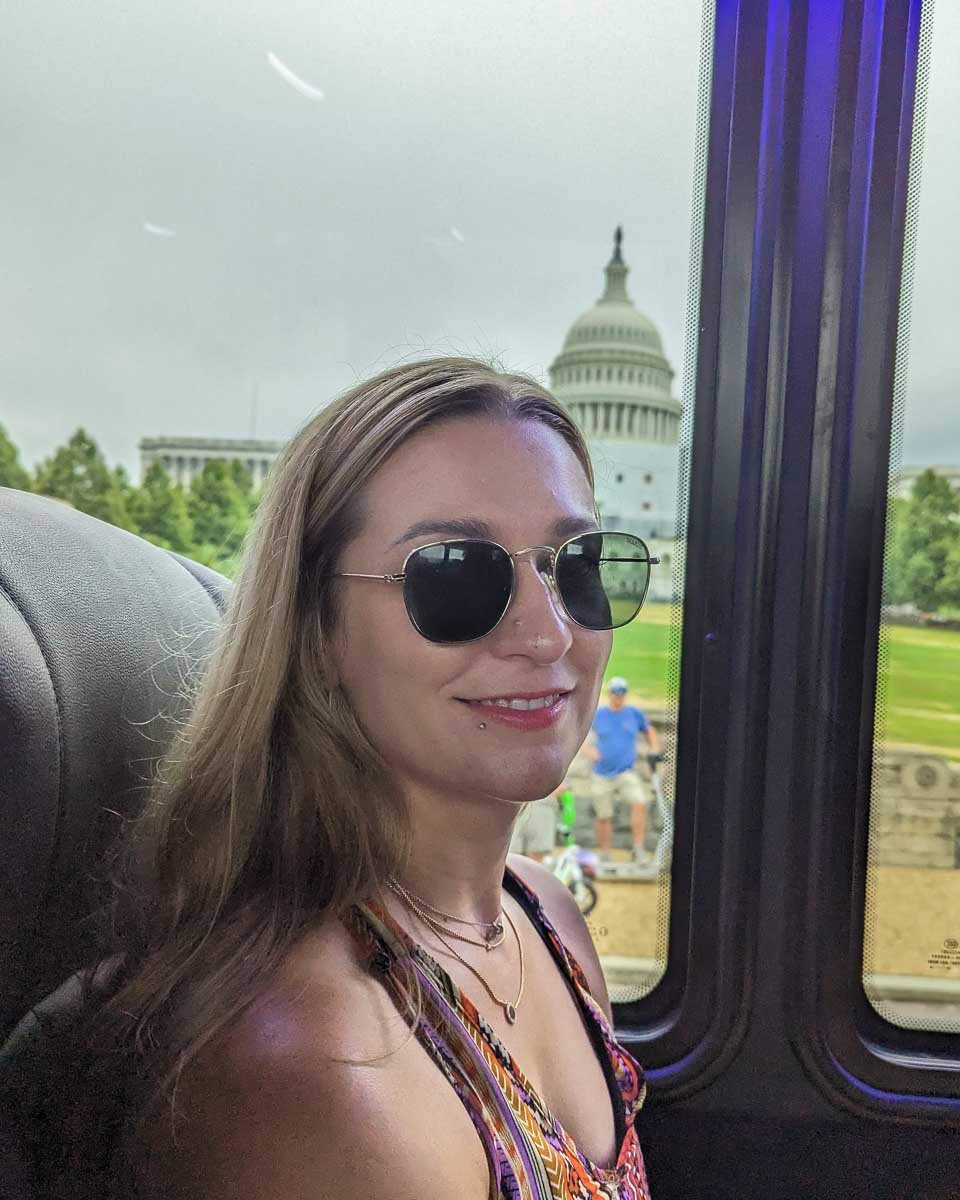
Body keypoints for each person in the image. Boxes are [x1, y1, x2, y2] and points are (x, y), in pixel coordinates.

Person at [99, 358, 656, 1198]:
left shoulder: (545, 916)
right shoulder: (325, 1058)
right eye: (457, 574)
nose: (548, 635)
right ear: (317, 630)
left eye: (575, 565)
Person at [587, 677, 661, 865]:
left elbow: (649, 731)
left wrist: (654, 749)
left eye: (621, 693)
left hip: (626, 772)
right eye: (614, 692)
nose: (617, 696)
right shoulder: (599, 714)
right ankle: (605, 853)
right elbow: (578, 733)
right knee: (604, 815)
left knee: (639, 802)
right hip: (601, 773)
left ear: (624, 694)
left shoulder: (634, 713)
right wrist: (589, 751)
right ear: (609, 694)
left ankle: (638, 849)